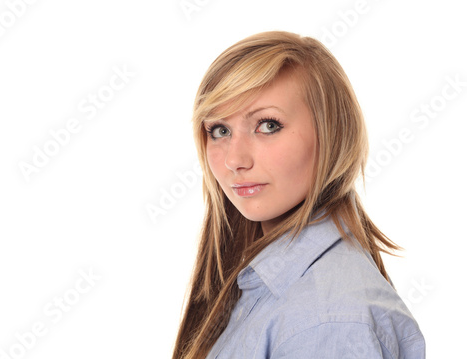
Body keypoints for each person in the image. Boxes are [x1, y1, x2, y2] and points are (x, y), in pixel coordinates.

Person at [172, 31, 425, 359]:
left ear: (331, 133)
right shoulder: (279, 287)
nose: (234, 160)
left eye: (268, 125)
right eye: (220, 131)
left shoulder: (326, 321)